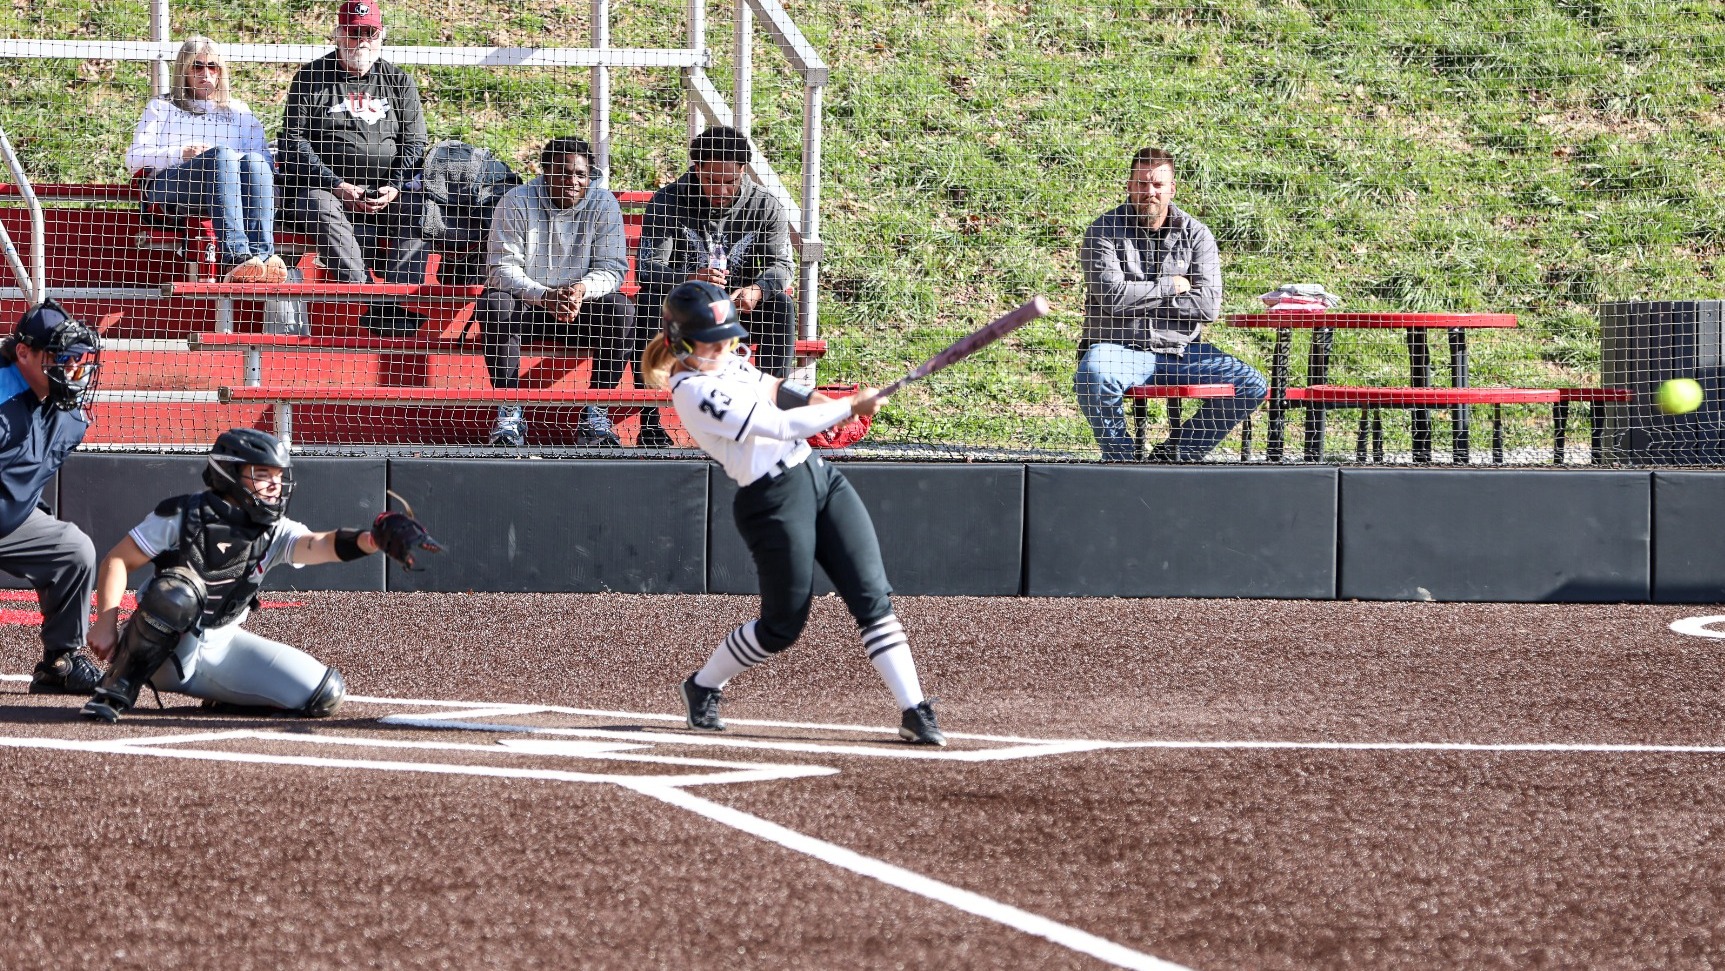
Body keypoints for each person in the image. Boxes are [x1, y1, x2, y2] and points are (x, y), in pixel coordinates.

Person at [641, 281, 945, 747]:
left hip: (818, 478)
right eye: (714, 340)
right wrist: (848, 406)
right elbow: (776, 424)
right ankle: (703, 686)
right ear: (682, 342)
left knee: (871, 597)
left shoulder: (728, 361)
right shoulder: (693, 391)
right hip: (771, 502)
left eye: (728, 337)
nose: (726, 346)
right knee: (782, 626)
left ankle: (915, 710)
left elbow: (778, 391)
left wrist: (824, 403)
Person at [80, 428, 439, 723]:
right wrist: (105, 621)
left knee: (323, 694)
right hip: (160, 650)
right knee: (180, 591)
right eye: (262, 475)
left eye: (279, 478)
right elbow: (117, 561)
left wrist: (371, 540)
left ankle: (223, 695)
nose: (274, 486)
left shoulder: (276, 529)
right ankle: (117, 686)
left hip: (221, 644)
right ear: (228, 473)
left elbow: (318, 544)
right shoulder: (182, 514)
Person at [1074, 147, 1267, 462]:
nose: (1149, 192)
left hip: (1181, 353)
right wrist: (1171, 287)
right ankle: (1122, 462)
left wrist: (1140, 297)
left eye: (1157, 185)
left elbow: (1208, 306)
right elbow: (1111, 298)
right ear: (1129, 185)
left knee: (1251, 384)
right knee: (1092, 373)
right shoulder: (1102, 232)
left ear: (1172, 188)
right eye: (1141, 183)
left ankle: (1172, 456)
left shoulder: (1197, 235)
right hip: (1119, 349)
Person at [634, 126, 796, 448]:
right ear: (697, 168)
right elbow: (647, 268)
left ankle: (768, 414)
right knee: (648, 301)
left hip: (737, 307)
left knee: (781, 307)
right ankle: (649, 421)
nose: (722, 189)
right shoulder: (668, 200)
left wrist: (757, 290)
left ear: (742, 170)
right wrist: (689, 280)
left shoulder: (766, 205)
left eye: (730, 181)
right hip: (684, 308)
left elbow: (783, 266)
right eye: (712, 180)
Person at [277, 0, 430, 336]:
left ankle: (398, 299)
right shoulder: (311, 77)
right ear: (337, 34)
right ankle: (371, 297)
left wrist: (395, 185)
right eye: (353, 32)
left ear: (381, 35)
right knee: (317, 205)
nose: (362, 40)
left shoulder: (399, 81)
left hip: (386, 190)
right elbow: (293, 143)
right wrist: (337, 185)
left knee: (421, 208)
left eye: (369, 32)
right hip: (327, 189)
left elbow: (415, 143)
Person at [480, 137, 637, 448]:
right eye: (564, 173)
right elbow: (501, 269)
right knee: (493, 303)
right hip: (529, 306)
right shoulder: (516, 201)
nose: (572, 181)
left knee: (624, 309)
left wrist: (581, 289)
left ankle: (596, 412)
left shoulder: (604, 203)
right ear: (544, 171)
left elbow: (614, 268)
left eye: (580, 174)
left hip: (580, 307)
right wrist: (544, 296)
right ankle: (510, 412)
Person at [0, 300, 104, 695]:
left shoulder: (68, 411)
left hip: (10, 517)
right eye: (61, 358)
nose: (74, 369)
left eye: (78, 359)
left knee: (73, 550)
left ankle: (59, 663)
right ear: (23, 353)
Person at [125, 36, 287, 284]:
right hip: (173, 186)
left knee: (254, 161)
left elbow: (264, 160)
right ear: (184, 70)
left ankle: (262, 258)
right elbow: (134, 159)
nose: (205, 73)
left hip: (232, 188)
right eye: (197, 66)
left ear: (221, 71)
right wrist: (181, 153)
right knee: (221, 155)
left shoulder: (238, 111)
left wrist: (234, 161)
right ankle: (235, 256)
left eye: (213, 66)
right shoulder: (163, 106)